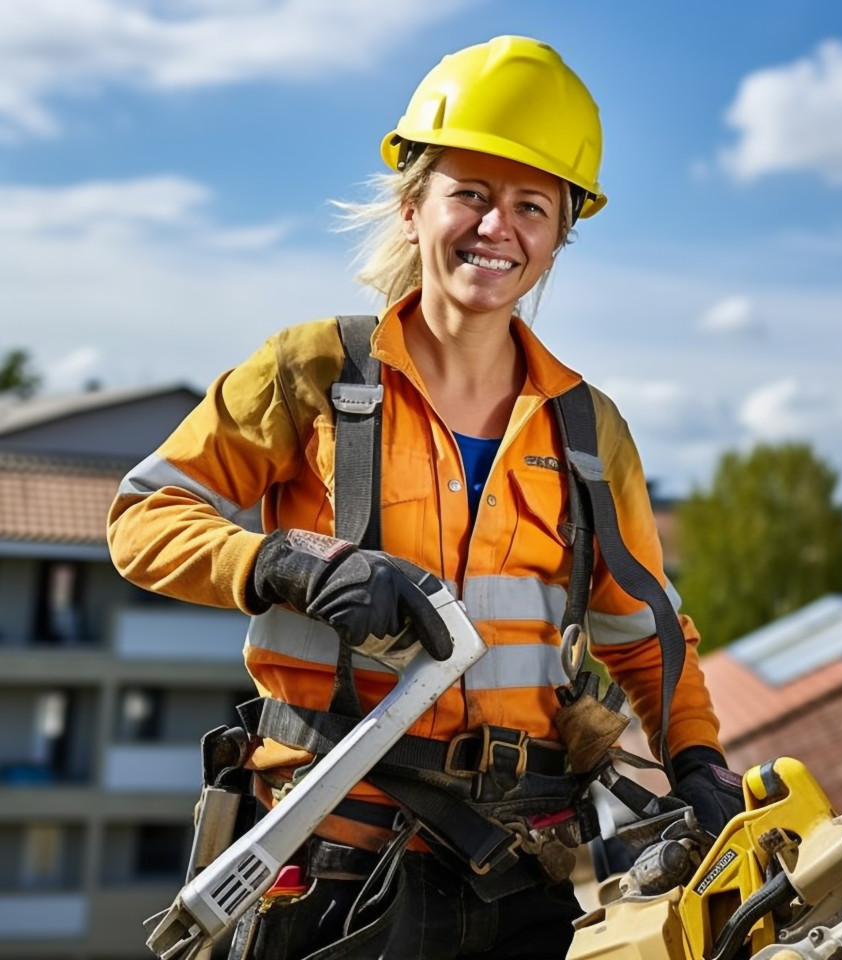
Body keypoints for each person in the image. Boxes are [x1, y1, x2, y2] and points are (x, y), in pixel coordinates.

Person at [107, 35, 742, 960]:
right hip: (331, 860)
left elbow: (646, 637)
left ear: (561, 234)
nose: (498, 228)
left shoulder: (585, 429)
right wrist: (284, 561)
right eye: (471, 195)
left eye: (531, 205)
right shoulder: (315, 371)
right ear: (414, 207)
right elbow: (143, 516)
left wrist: (696, 761)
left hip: (527, 871)